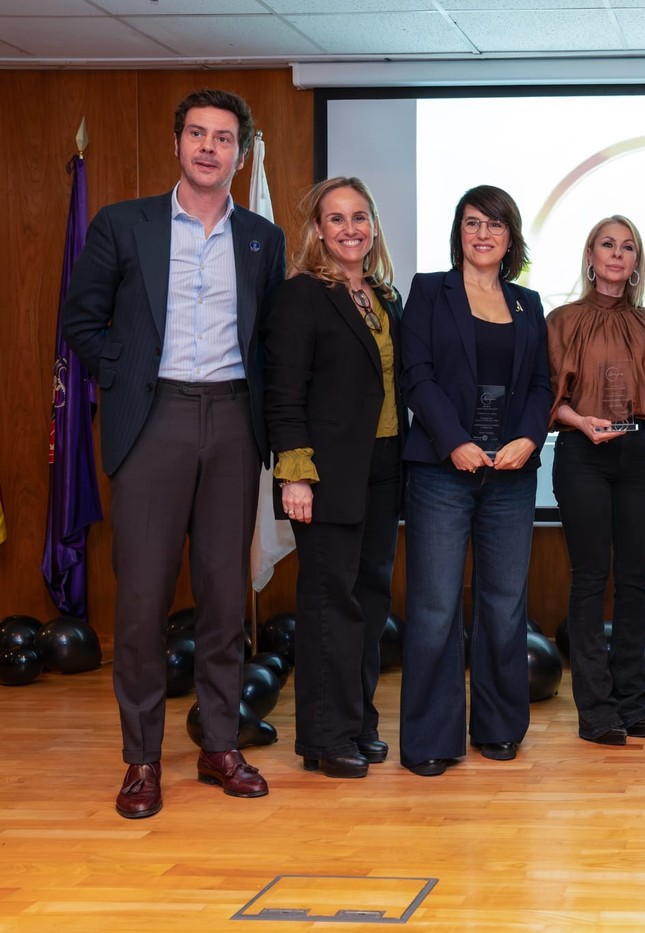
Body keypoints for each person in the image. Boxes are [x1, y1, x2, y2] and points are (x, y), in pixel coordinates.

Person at [62, 88, 284, 818]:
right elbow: (81, 319)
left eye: (224, 138)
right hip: (152, 420)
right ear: (177, 143)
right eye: (198, 134)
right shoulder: (124, 225)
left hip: (231, 421)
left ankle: (220, 744)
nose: (209, 148)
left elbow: (270, 337)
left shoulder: (260, 238)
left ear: (240, 154)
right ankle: (142, 759)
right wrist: (125, 376)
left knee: (225, 597)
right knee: (142, 602)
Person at [398, 185, 551, 773]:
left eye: (495, 224)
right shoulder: (428, 291)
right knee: (436, 606)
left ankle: (499, 726)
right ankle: (431, 741)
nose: (483, 234)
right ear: (458, 232)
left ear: (511, 238)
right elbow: (418, 376)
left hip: (511, 474)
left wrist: (529, 439)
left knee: (505, 604)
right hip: (442, 471)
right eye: (472, 223)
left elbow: (541, 384)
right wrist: (455, 442)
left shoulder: (527, 304)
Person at [263, 177, 405, 779]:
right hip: (324, 474)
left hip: (383, 467)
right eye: (337, 218)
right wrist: (295, 476)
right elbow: (284, 392)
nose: (351, 229)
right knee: (329, 605)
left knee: (369, 602)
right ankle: (326, 736)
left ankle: (360, 723)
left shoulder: (384, 296)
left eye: (360, 217)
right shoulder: (301, 297)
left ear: (373, 226)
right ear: (318, 230)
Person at [546, 216, 645, 746]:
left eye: (627, 247)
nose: (617, 255)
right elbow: (547, 397)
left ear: (636, 262)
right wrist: (579, 421)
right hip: (581, 453)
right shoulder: (561, 320)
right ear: (591, 256)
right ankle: (596, 709)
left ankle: (630, 699)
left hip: (637, 453)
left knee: (636, 582)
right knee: (590, 578)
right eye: (607, 245)